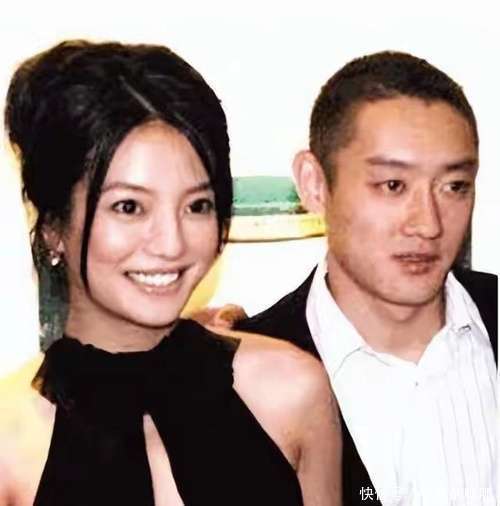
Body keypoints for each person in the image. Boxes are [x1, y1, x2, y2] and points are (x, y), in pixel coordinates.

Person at [0, 40, 342, 506]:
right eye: (129, 207)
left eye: (196, 205)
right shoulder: (10, 444)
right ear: (53, 225)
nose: (172, 244)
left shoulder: (293, 391)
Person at [232, 52, 497, 506]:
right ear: (315, 184)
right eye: (393, 185)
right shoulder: (244, 378)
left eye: (454, 186)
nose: (428, 223)